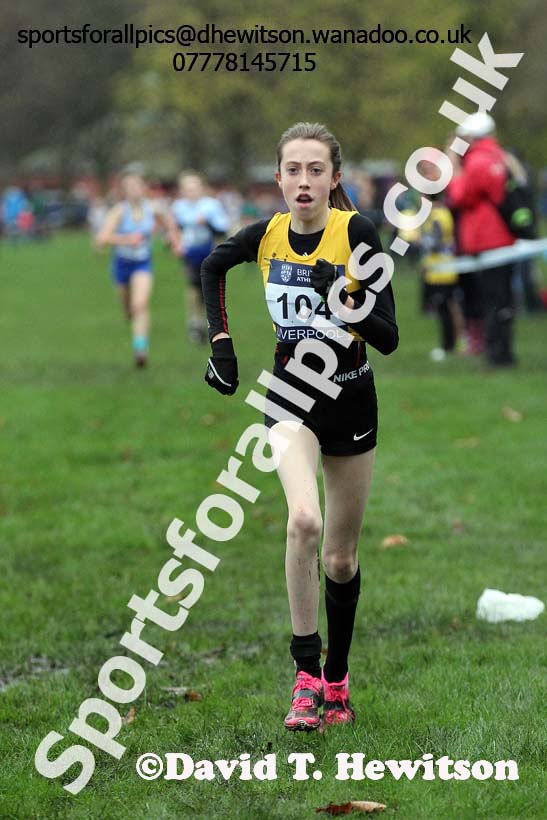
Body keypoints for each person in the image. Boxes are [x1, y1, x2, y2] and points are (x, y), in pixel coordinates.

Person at [201, 122, 398, 730]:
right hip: (290, 397)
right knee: (303, 521)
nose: (304, 181)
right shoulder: (266, 236)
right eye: (294, 169)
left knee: (340, 558)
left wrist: (343, 293)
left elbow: (388, 337)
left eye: (317, 170)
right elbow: (212, 265)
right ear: (279, 177)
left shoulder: (357, 233)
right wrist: (222, 345)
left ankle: (338, 680)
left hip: (351, 400)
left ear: (335, 178)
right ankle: (306, 677)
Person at [446, 113, 517, 367]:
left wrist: (454, 170)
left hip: (487, 239)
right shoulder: (498, 156)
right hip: (500, 237)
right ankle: (502, 352)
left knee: (493, 300)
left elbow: (461, 196)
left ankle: (498, 355)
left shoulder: (477, 161)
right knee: (502, 299)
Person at [97, 172, 179, 367]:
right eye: (129, 187)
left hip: (142, 263)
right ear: (124, 192)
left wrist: (175, 242)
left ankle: (140, 349)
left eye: (137, 186)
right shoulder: (119, 211)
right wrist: (126, 239)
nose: (134, 190)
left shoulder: (154, 209)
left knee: (139, 305)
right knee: (129, 310)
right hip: (121, 264)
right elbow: (102, 238)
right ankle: (136, 329)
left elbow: (171, 227)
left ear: (144, 188)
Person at [172, 171, 230, 344]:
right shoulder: (179, 207)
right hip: (190, 253)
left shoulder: (211, 206)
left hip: (209, 252)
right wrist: (176, 245)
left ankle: (211, 323)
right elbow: (174, 230)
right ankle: (194, 322)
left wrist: (208, 223)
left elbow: (223, 230)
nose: (191, 192)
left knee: (209, 289)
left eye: (195, 188)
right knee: (193, 287)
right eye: (187, 189)